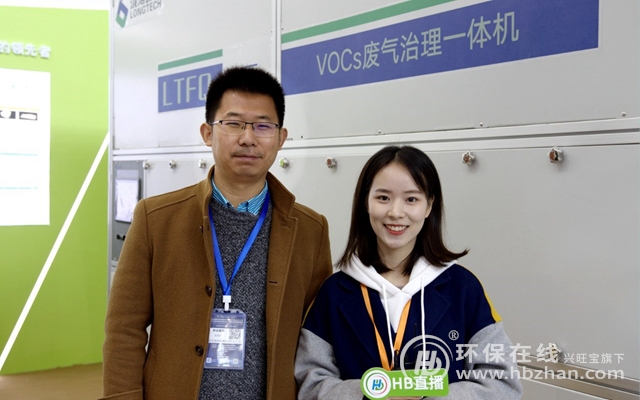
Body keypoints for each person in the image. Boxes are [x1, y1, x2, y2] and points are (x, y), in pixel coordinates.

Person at [102, 66, 333, 400]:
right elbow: (124, 330)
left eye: (262, 126)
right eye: (233, 123)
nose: (248, 138)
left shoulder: (311, 230)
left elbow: (317, 339)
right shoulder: (155, 219)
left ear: (281, 138)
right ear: (207, 133)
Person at [295, 145, 522, 399]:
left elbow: (502, 383)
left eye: (411, 199)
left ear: (429, 206)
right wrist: (372, 394)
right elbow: (310, 383)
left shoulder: (463, 288)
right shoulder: (333, 292)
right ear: (365, 202)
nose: (396, 212)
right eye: (383, 198)